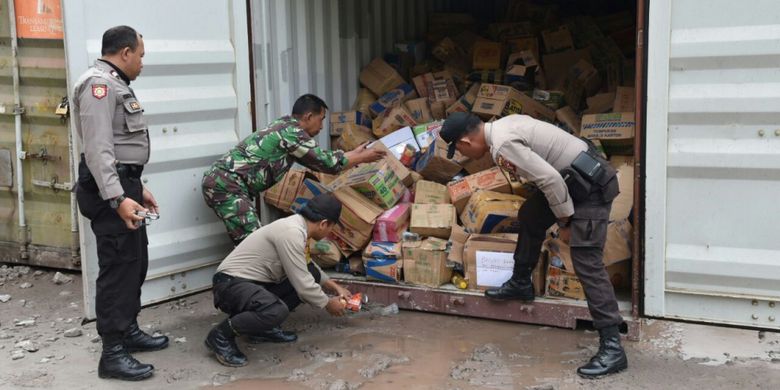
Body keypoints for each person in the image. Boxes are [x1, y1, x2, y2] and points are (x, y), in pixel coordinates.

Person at [439, 112, 627, 378]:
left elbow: (550, 180)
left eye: (457, 146)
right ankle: (521, 282)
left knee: (587, 262)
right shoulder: (504, 124)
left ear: (467, 141)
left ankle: (612, 346)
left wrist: (565, 223)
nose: (461, 152)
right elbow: (550, 178)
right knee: (531, 214)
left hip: (591, 187)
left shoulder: (503, 143)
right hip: (573, 180)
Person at [73, 26, 168, 381]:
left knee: (134, 263)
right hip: (106, 191)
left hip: (122, 184)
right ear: (125, 52)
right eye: (140, 55)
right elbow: (98, 150)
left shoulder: (115, 84)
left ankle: (127, 330)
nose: (142, 63)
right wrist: (117, 198)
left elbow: (119, 147)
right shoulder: (99, 86)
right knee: (117, 269)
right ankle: (112, 353)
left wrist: (135, 187)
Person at [202, 94, 384, 244]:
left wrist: (354, 154)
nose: (321, 127)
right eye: (321, 120)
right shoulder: (292, 133)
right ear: (308, 117)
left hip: (226, 184)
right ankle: (245, 285)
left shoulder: (285, 126)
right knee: (253, 245)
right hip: (226, 184)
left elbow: (321, 161)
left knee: (249, 243)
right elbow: (328, 163)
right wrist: (361, 157)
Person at [205, 193, 351, 367]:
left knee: (310, 275)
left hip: (249, 284)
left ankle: (260, 329)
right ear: (324, 223)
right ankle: (220, 336)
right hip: (229, 285)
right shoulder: (292, 233)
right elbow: (304, 286)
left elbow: (308, 268)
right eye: (331, 228)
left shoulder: (299, 228)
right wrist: (328, 303)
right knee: (275, 310)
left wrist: (334, 287)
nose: (329, 233)